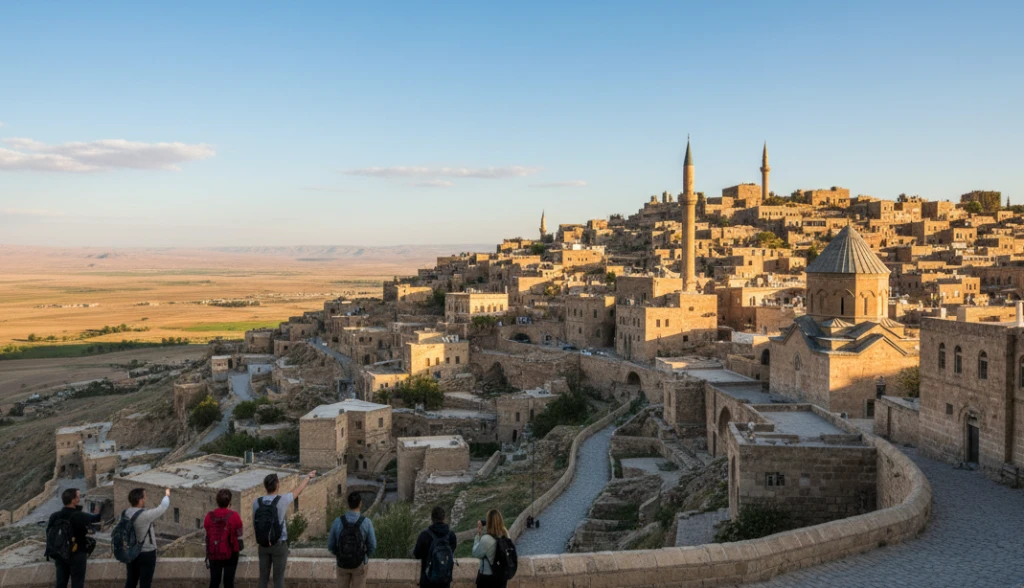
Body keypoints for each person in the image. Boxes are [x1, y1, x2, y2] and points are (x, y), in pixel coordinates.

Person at [253, 470, 315, 588]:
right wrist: (308, 477)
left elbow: (254, 523)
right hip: (279, 544)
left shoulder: (257, 502)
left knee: (263, 578)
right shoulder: (282, 500)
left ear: (265, 486)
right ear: (277, 485)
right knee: (278, 579)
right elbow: (297, 491)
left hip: (263, 545)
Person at [48, 487, 102, 588]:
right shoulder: (80, 516)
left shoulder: (54, 516)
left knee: (61, 584)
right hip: (77, 553)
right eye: (78, 497)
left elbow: (49, 533)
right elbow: (96, 519)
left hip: (60, 554)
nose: (79, 499)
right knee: (77, 583)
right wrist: (100, 510)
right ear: (73, 500)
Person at [123, 487, 171, 588]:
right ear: (140, 500)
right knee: (145, 583)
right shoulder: (145, 515)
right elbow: (162, 507)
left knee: (131, 581)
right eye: (144, 497)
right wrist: (167, 495)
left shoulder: (126, 514)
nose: (145, 499)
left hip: (131, 552)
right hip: (147, 553)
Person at [328, 491, 377, 588]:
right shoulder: (366, 522)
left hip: (342, 564)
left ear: (348, 503)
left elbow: (331, 545)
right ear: (360, 503)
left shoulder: (337, 521)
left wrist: (340, 554)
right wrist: (365, 557)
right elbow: (372, 545)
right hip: (359, 564)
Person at [204, 489, 244, 588]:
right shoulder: (234, 516)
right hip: (231, 552)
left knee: (214, 582)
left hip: (214, 552)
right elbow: (239, 534)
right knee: (228, 582)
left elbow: (207, 532)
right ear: (229, 502)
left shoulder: (209, 516)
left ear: (217, 501)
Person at [413, 506, 457, 588]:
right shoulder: (451, 535)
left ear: (432, 518)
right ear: (444, 518)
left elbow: (417, 554)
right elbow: (451, 551)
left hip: (427, 580)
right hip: (444, 580)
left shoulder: (424, 535)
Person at [472, 509, 509, 588]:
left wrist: (478, 535)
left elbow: (475, 553)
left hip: (488, 577)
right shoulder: (506, 536)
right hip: (502, 577)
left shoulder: (486, 539)